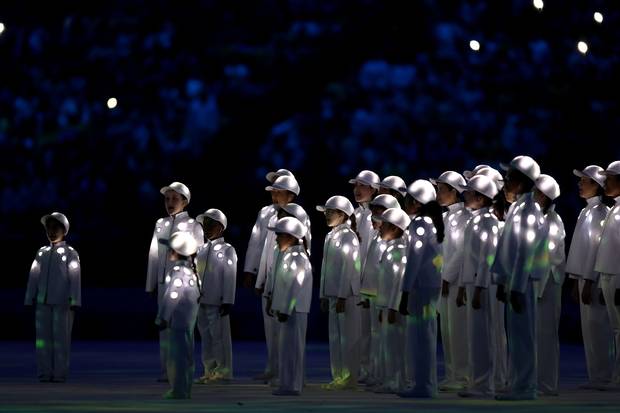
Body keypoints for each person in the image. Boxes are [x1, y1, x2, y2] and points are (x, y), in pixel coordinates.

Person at [492, 155, 544, 401]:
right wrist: (504, 281)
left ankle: (525, 387)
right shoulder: (519, 208)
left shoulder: (528, 210)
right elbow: (508, 249)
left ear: (523, 182)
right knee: (515, 334)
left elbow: (525, 251)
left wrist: (517, 287)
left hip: (521, 283)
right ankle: (517, 383)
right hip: (514, 281)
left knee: (523, 336)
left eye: (510, 177)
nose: (505, 182)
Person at [146, 181, 204, 381]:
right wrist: (151, 282)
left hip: (184, 282)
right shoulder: (160, 223)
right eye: (167, 199)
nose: (170, 202)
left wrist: (198, 284)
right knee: (165, 328)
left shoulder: (193, 225)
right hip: (163, 282)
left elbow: (199, 255)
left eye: (175, 199)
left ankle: (184, 371)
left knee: (183, 328)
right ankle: (167, 371)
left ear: (185, 202)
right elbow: (154, 254)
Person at [566, 165, 612, 389]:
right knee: (589, 330)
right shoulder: (586, 211)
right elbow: (579, 249)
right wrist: (576, 280)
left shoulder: (601, 212)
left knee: (598, 327)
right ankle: (597, 376)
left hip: (592, 279)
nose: (579, 184)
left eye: (584, 181)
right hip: (584, 278)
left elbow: (595, 249)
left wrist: (588, 280)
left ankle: (604, 376)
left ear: (596, 184)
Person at [398, 180, 444, 398]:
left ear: (416, 202)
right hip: (431, 285)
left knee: (420, 337)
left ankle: (423, 385)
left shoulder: (419, 224)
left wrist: (405, 291)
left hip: (421, 287)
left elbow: (414, 259)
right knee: (427, 335)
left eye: (408, 198)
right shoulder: (433, 222)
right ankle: (427, 383)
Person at [253, 174, 301, 382]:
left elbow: (302, 246)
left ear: (290, 194)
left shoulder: (299, 215)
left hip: (287, 276)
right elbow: (265, 251)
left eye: (278, 192)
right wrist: (260, 279)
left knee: (286, 329)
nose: (274, 195)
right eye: (273, 192)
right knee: (271, 328)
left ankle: (288, 373)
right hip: (271, 278)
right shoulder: (273, 217)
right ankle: (273, 368)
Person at [456, 175, 500, 398]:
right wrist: (465, 285)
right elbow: (468, 257)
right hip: (473, 283)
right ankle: (477, 381)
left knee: (483, 335)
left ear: (482, 198)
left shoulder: (488, 222)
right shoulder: (476, 220)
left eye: (470, 192)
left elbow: (487, 258)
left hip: (481, 285)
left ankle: (484, 385)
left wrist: (480, 287)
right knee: (475, 336)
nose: (465, 195)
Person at [25, 212, 81, 383]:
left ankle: (59, 372)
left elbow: (75, 277)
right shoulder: (41, 252)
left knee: (61, 338)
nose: (51, 231)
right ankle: (44, 371)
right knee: (42, 339)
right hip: (43, 301)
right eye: (49, 228)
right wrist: (29, 297)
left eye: (55, 228)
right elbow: (33, 276)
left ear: (64, 230)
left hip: (62, 302)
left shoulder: (71, 253)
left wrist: (75, 299)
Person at [431, 171, 470, 392]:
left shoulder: (464, 217)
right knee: (446, 330)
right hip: (443, 279)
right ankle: (451, 373)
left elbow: (461, 251)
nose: (437, 193)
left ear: (454, 191)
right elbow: (441, 250)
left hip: (455, 281)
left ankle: (462, 374)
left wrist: (447, 276)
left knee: (458, 330)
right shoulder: (445, 217)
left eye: (441, 189)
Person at [317, 195, 362, 390]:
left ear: (343, 215)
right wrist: (323, 294)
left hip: (346, 295)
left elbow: (349, 266)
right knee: (335, 337)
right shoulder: (331, 235)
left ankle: (350, 378)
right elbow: (326, 267)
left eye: (330, 212)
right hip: (333, 294)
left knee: (348, 336)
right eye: (326, 212)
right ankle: (338, 376)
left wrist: (343, 294)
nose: (326, 215)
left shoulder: (348, 236)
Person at [267, 217, 313, 396]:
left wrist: (285, 309)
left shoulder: (297, 257)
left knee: (292, 348)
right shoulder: (291, 255)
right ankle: (288, 383)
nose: (276, 239)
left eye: (279, 235)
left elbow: (295, 285)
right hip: (289, 310)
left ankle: (292, 385)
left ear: (292, 237)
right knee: (287, 349)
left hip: (294, 310)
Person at [360, 194, 401, 387]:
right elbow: (370, 268)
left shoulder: (392, 241)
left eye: (380, 210)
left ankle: (390, 377)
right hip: (374, 294)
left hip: (384, 296)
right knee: (377, 338)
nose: (374, 214)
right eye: (374, 209)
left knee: (388, 339)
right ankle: (378, 373)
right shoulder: (377, 237)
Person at [155, 231, 201, 399]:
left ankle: (178, 390)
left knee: (177, 357)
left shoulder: (179, 272)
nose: (169, 253)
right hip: (187, 321)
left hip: (178, 320)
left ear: (176, 251)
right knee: (186, 354)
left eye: (171, 249)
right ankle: (184, 388)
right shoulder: (191, 272)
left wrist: (163, 317)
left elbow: (172, 296)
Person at [531, 175, 565, 396]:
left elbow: (547, 255)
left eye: (535, 191)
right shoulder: (540, 217)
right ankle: (537, 381)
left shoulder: (553, 220)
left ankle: (547, 384)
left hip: (547, 283)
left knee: (546, 335)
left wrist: (538, 287)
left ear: (543, 195)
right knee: (537, 335)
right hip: (538, 283)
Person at [194, 209, 237, 384]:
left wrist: (228, 299)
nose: (207, 228)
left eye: (211, 224)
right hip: (200, 300)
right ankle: (209, 370)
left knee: (219, 337)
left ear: (221, 227)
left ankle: (223, 370)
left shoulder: (228, 250)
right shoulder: (201, 249)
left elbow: (230, 275)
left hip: (217, 301)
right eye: (205, 224)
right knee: (206, 336)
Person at [373, 208, 411, 393]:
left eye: (384, 225)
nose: (379, 228)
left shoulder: (400, 252)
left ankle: (398, 381)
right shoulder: (390, 249)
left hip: (394, 308)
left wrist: (393, 307)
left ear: (396, 229)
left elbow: (399, 282)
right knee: (389, 344)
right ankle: (390, 380)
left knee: (397, 344)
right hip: (387, 306)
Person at [349, 170, 380, 382]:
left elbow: (372, 250)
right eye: (356, 185)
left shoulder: (376, 216)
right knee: (361, 329)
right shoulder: (356, 214)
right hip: (358, 278)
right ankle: (363, 368)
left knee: (373, 328)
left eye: (363, 186)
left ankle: (374, 370)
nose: (357, 190)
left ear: (374, 189)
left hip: (372, 279)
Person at [595, 160, 620, 389]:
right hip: (609, 274)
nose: (605, 183)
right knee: (615, 328)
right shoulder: (615, 208)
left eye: (610, 178)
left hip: (617, 275)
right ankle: (615, 376)